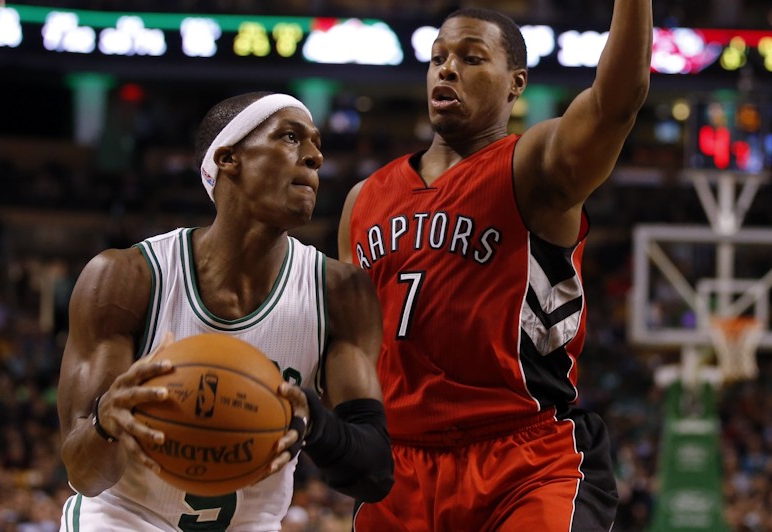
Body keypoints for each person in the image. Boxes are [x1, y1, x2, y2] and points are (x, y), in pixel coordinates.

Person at [338, 4, 652, 531]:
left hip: (523, 458)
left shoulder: (533, 166)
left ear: (515, 84)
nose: (447, 68)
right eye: (438, 57)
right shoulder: (363, 199)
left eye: (471, 57)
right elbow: (348, 344)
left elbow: (614, 106)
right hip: (400, 466)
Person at [57, 92, 394, 531]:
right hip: (125, 519)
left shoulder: (340, 292)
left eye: (316, 143)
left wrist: (316, 423)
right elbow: (84, 475)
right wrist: (106, 424)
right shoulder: (126, 279)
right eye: (291, 137)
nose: (315, 157)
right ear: (229, 158)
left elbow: (374, 474)